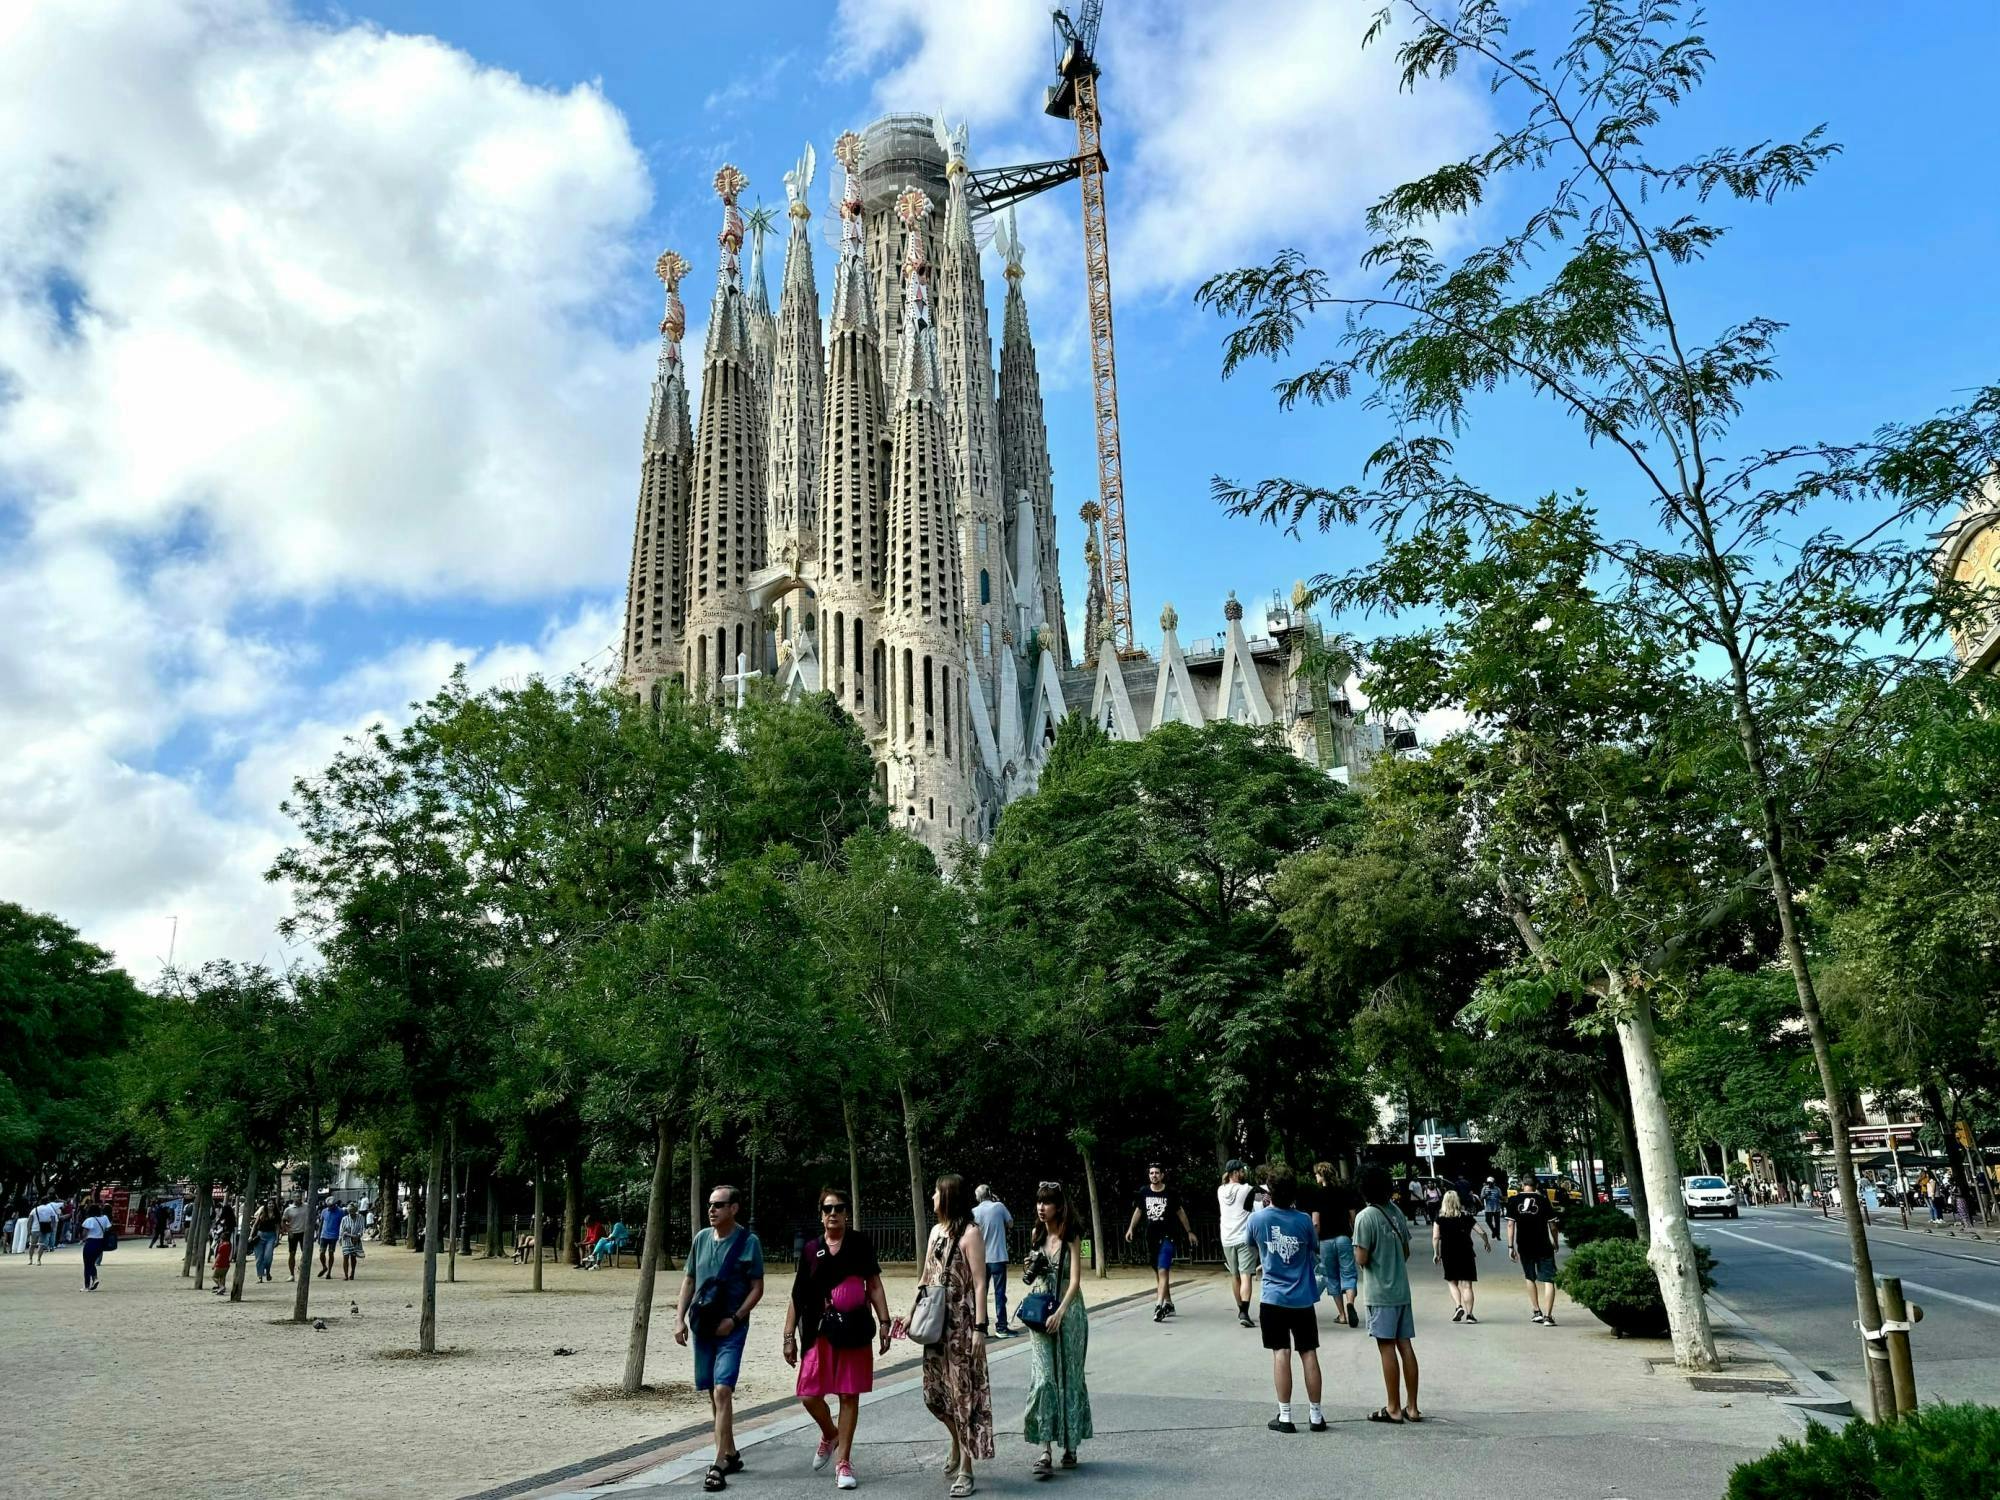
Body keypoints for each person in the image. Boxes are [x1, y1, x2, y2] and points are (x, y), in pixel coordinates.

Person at [783, 1185, 891, 1492]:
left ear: (847, 1213)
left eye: (839, 1208)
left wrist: (884, 1322)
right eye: (828, 1209)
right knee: (807, 1392)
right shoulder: (811, 1250)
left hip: (854, 1329)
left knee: (848, 1394)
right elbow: (797, 1296)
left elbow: (874, 1285)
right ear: (821, 1215)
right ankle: (830, 1433)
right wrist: (788, 1335)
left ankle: (843, 1461)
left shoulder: (859, 1244)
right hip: (819, 1331)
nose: (833, 1213)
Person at [674, 1184, 765, 1493]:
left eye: (719, 1205)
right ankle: (730, 1451)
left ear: (734, 1208)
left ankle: (717, 1464)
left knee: (723, 1389)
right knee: (713, 1392)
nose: (711, 1210)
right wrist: (679, 1319)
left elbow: (757, 1287)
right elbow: (689, 1279)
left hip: (731, 1329)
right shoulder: (701, 1239)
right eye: (710, 1204)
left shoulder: (748, 1242)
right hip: (703, 1327)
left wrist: (736, 1319)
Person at [919, 1174, 993, 1499]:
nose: (932, 1197)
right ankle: (956, 1439)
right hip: (935, 1326)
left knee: (963, 1396)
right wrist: (912, 1313)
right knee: (934, 1396)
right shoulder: (936, 1231)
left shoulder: (970, 1233)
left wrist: (980, 1327)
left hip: (961, 1328)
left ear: (948, 1196)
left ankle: (966, 1468)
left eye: (936, 1192)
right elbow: (926, 1276)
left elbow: (980, 1282)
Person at [1022, 1180, 1092, 1475]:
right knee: (1043, 1379)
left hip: (1069, 1311)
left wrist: (1061, 1312)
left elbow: (1075, 1280)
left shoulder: (1071, 1235)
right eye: (1039, 1201)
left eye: (1047, 1202)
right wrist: (1030, 1267)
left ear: (1059, 1206)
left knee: (1069, 1376)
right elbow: (1028, 1276)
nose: (1041, 1207)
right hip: (1040, 1311)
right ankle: (1045, 1449)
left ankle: (1071, 1445)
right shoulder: (1036, 1234)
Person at [1246, 1169, 1324, 1433]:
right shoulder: (1303, 1221)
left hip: (1273, 1297)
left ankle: (1285, 1416)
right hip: (1301, 1297)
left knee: (1281, 1352)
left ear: (1270, 1191)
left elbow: (1252, 1244)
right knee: (1309, 1352)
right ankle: (1315, 1415)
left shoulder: (1257, 1220)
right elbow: (1313, 1248)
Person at [1353, 1168, 1420, 1424]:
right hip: (1402, 1290)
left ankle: (1393, 1407)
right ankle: (1412, 1407)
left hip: (1380, 1292)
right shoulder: (1396, 1212)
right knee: (1405, 1345)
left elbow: (1361, 1257)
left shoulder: (1365, 1217)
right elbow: (1406, 1251)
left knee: (1386, 1348)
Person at [1124, 1165, 1198, 1323]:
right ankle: (1169, 1303)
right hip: (1151, 1237)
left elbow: (1180, 1212)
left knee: (1163, 1269)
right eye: (1151, 1173)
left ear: (1162, 1175)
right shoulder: (1144, 1192)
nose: (1154, 1175)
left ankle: (1159, 1306)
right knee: (1158, 1273)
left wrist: (1189, 1231)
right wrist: (1131, 1228)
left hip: (1168, 1235)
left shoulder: (1170, 1192)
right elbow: (1139, 1211)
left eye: (1157, 1173)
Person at [1506, 1171, 1562, 1325]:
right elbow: (1553, 1226)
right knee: (1549, 1279)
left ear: (1522, 1185)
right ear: (1536, 1185)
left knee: (1529, 1276)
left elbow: (1510, 1224)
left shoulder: (1514, 1200)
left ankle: (1536, 1311)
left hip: (1524, 1244)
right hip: (1543, 1244)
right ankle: (1548, 1317)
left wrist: (1510, 1246)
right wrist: (1555, 1243)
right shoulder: (1544, 1201)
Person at [1310, 1163, 1359, 1330]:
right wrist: (1353, 1234)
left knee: (1331, 1276)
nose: (1315, 1177)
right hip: (1344, 1237)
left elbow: (1315, 1223)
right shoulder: (1345, 1192)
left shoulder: (1317, 1195)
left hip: (1326, 1241)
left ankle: (1342, 1315)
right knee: (1348, 1272)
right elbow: (1353, 1217)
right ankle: (1350, 1303)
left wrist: (1315, 1241)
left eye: (1316, 1174)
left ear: (1321, 1175)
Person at [1432, 1190, 1490, 1322]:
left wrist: (1436, 1253)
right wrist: (1486, 1243)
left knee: (1452, 1282)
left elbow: (1436, 1237)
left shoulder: (1439, 1219)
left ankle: (1458, 1306)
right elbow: (1482, 1232)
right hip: (1466, 1252)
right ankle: (1470, 1315)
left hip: (1448, 1253)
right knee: (1467, 1285)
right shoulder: (1466, 1217)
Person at [1218, 1160, 1258, 1328]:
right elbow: (1262, 1197)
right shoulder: (1246, 1189)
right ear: (1235, 1173)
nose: (1244, 1173)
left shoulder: (1220, 1190)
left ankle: (1240, 1309)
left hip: (1226, 1238)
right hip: (1243, 1238)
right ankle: (1245, 1311)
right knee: (1246, 1275)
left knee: (1234, 1276)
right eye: (1242, 1170)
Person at [971, 1185, 1015, 1337]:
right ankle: (1001, 1327)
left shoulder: (974, 1212)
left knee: (980, 1292)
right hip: (998, 1256)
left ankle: (982, 1327)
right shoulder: (999, 1207)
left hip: (981, 1258)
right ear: (990, 1193)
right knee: (1000, 1293)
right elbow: (1010, 1224)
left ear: (978, 1197)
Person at [80, 1197, 112, 1291]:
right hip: (100, 1242)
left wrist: (83, 1239)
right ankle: (94, 1278)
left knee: (87, 1264)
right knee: (92, 1262)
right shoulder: (105, 1218)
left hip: (91, 1242)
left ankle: (86, 1286)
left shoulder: (89, 1220)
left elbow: (85, 1233)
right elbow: (108, 1228)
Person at [316, 1197, 345, 1279]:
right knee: (321, 1253)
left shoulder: (340, 1212)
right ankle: (324, 1267)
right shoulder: (324, 1211)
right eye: (328, 1206)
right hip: (324, 1235)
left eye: (331, 1205)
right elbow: (321, 1224)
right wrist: (318, 1235)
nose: (330, 1207)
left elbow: (342, 1224)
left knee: (331, 1253)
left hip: (334, 1236)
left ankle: (329, 1272)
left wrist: (341, 1236)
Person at [252, 1197, 280, 1282]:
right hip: (260, 1236)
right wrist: (251, 1235)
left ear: (274, 1205)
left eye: (272, 1203)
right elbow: (255, 1225)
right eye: (269, 1203)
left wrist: (277, 1239)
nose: (271, 1205)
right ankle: (260, 1276)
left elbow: (277, 1227)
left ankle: (267, 1271)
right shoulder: (262, 1212)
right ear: (266, 1205)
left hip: (271, 1237)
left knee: (268, 1257)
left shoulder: (277, 1214)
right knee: (259, 1258)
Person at [338, 1201, 365, 1280]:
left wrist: (358, 1236)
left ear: (356, 1210)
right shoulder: (344, 1219)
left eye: (353, 1211)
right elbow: (342, 1230)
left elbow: (361, 1228)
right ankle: (345, 1275)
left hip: (356, 1240)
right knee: (345, 1256)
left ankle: (352, 1272)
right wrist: (341, 1238)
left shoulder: (360, 1217)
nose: (351, 1212)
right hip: (346, 1240)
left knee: (353, 1257)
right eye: (350, 1211)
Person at [282, 1196, 308, 1279]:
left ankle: (301, 1266)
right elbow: (283, 1221)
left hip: (304, 1232)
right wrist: (288, 1231)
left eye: (299, 1197)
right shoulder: (288, 1209)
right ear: (293, 1199)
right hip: (293, 1233)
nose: (298, 1199)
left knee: (305, 1252)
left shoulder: (306, 1207)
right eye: (296, 1197)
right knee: (292, 1253)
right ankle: (292, 1274)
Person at [32, 1197, 60, 1265]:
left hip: (35, 1227)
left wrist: (29, 1228)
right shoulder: (49, 1208)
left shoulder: (35, 1209)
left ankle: (30, 1259)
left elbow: (30, 1218)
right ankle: (38, 1259)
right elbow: (53, 1218)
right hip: (45, 1227)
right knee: (41, 1244)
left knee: (32, 1244)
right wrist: (53, 1227)